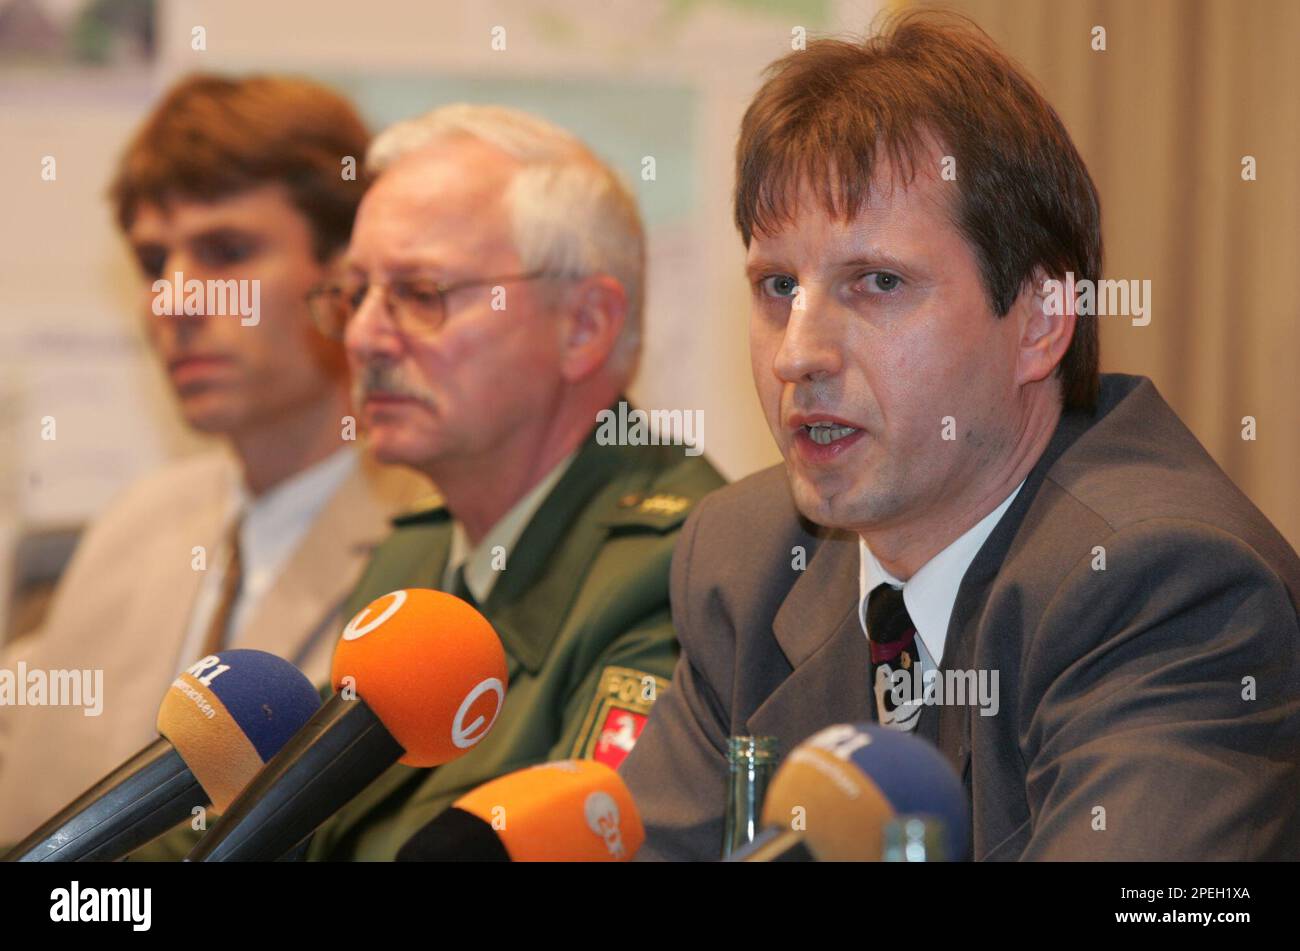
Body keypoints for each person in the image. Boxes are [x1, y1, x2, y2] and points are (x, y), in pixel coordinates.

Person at [620, 12, 1300, 861]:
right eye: (777, 285)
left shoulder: (1164, 584)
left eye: (876, 282)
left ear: (1043, 319)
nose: (798, 354)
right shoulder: (747, 560)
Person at [0, 74, 429, 844]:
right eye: (152, 262)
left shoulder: (436, 536)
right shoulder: (136, 523)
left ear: (346, 278)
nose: (176, 300)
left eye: (227, 251)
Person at [296, 104, 725, 860]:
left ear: (584, 325)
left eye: (421, 292)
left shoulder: (682, 566)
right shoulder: (409, 561)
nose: (363, 336)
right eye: (355, 292)